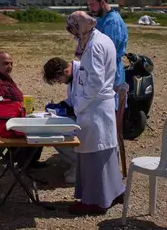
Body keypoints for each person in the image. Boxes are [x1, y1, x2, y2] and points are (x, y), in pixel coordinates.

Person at [63, 11, 125, 215]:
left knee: (93, 156)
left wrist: (79, 103)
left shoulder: (95, 45)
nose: (74, 36)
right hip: (98, 106)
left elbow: (95, 81)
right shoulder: (99, 39)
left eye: (74, 31)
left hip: (94, 107)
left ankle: (94, 202)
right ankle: (114, 192)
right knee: (104, 154)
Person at [0, 52, 43, 167]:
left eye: (11, 64)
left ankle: (16, 157)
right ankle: (25, 162)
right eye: (6, 63)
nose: (10, 66)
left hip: (10, 117)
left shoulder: (1, 76)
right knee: (37, 131)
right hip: (3, 122)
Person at [86, 0, 129, 132]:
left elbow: (109, 50)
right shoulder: (101, 20)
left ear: (102, 2)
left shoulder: (112, 22)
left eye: (92, 5)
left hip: (111, 70)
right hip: (102, 69)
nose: (90, 8)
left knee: (112, 110)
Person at [42, 57, 80, 184]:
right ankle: (74, 162)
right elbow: (72, 100)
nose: (60, 83)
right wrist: (60, 106)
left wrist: (68, 110)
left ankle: (80, 165)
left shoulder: (83, 73)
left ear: (65, 71)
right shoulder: (72, 78)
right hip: (80, 116)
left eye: (58, 79)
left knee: (55, 134)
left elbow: (82, 102)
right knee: (49, 130)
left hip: (91, 119)